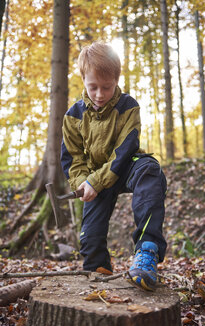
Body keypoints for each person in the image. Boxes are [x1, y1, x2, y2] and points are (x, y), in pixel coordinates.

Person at [61, 41, 167, 291]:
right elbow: (72, 159)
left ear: (117, 80)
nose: (99, 94)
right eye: (93, 87)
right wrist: (83, 183)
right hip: (95, 177)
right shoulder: (72, 116)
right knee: (90, 239)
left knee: (149, 169)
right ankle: (98, 270)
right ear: (83, 80)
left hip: (126, 166)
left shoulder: (128, 106)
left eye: (106, 87)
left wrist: (95, 180)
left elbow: (125, 150)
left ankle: (147, 253)